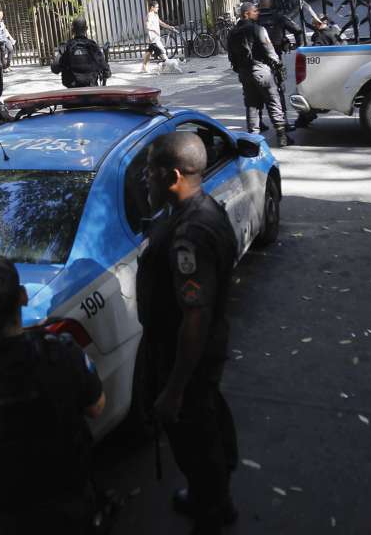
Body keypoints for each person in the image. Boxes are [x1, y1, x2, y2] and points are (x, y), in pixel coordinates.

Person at [0, 256, 106, 533]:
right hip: (67, 508)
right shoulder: (62, 352)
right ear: (23, 296)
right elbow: (96, 407)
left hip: (2, 517)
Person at [137, 132, 240, 534]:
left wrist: (174, 388)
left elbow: (194, 316)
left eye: (150, 170)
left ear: (173, 175)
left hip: (187, 355)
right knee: (205, 417)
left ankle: (212, 509)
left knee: (193, 435)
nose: (145, 178)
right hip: (194, 351)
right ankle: (211, 496)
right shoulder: (195, 209)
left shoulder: (191, 233)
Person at [227, 1, 289, 147]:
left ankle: (253, 139)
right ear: (246, 14)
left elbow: (231, 55)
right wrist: (278, 65)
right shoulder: (257, 29)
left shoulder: (232, 32)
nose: (258, 13)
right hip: (261, 70)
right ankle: (282, 136)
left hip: (244, 73)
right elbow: (269, 50)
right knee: (273, 101)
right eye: (255, 11)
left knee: (251, 104)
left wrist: (240, 69)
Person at [258, 0, 301, 130]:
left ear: (259, 5)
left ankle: (258, 122)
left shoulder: (255, 19)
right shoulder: (279, 17)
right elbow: (297, 30)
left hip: (257, 60)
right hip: (275, 58)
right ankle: (284, 121)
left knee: (257, 91)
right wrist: (296, 46)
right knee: (278, 90)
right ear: (271, 4)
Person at [52, 17, 111, 88]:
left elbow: (55, 68)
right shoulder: (93, 46)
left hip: (72, 91)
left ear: (72, 30)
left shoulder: (65, 47)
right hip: (91, 89)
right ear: (86, 29)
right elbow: (107, 72)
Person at [142, 1, 178, 73]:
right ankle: (168, 66)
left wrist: (169, 27)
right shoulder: (149, 15)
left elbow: (161, 23)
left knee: (149, 52)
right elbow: (147, 26)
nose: (158, 8)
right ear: (152, 7)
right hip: (153, 38)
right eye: (156, 7)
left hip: (156, 38)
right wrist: (154, 30)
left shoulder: (155, 15)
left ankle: (144, 67)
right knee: (162, 51)